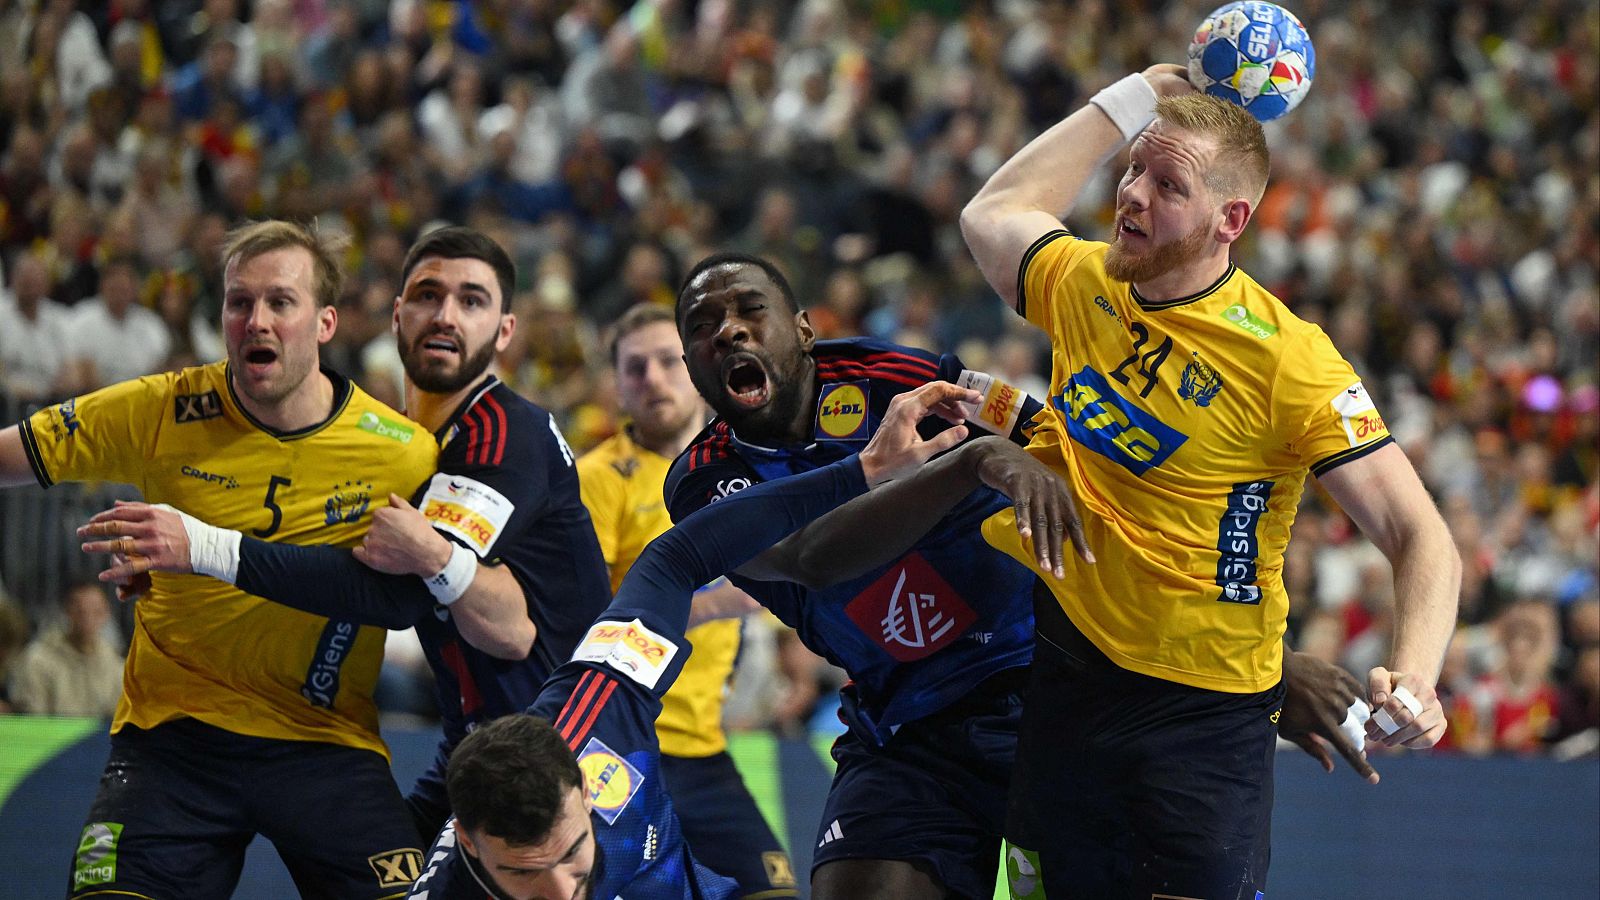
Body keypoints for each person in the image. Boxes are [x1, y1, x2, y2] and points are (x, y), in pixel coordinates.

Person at [664, 252, 1378, 899]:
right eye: (702, 326)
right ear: (694, 366)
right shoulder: (700, 482)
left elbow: (1095, 484)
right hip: (913, 730)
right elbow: (808, 555)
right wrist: (970, 463)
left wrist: (1263, 666)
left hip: (1062, 686)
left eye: (749, 310)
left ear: (802, 330)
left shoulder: (901, 380)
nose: (728, 331)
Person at [959, 67, 1462, 897]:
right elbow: (993, 212)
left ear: (1231, 220)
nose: (1131, 195)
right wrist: (1127, 100)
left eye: (1168, 185)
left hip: (1203, 718)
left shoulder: (1290, 362)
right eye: (1133, 169)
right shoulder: (1085, 283)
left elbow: (1421, 534)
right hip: (1065, 679)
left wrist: (1415, 673)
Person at [414, 379, 1068, 900]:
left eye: (572, 854)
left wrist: (861, 471)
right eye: (522, 875)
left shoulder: (605, 702)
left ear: (586, 790)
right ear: (470, 846)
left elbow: (678, 557)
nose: (560, 891)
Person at [79, 225, 614, 841]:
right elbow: (333, 554)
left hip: (567, 763)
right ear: (397, 314)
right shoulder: (404, 451)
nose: (445, 315)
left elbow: (404, 597)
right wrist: (182, 570)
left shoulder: (502, 433)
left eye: (472, 301)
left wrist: (201, 546)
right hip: (476, 754)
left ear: (504, 330)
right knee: (388, 874)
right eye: (428, 295)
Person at [0, 219, 440, 898]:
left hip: (325, 741)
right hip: (174, 738)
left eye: (280, 302)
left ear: (325, 323)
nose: (256, 320)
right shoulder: (164, 407)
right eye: (240, 302)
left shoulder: (401, 453)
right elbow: (13, 454)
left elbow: (417, 594)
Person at [577, 303, 796, 897]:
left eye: (667, 362)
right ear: (617, 384)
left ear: (697, 368)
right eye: (635, 367)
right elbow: (585, 621)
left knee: (773, 890)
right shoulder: (599, 479)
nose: (652, 378)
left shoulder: (740, 465)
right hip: (622, 744)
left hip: (705, 749)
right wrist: (718, 602)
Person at [7, 581, 124, 716]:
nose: (88, 619)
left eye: (97, 612)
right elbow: (31, 716)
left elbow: (121, 717)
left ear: (106, 614)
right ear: (67, 611)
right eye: (80, 612)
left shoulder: (115, 665)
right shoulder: (37, 660)